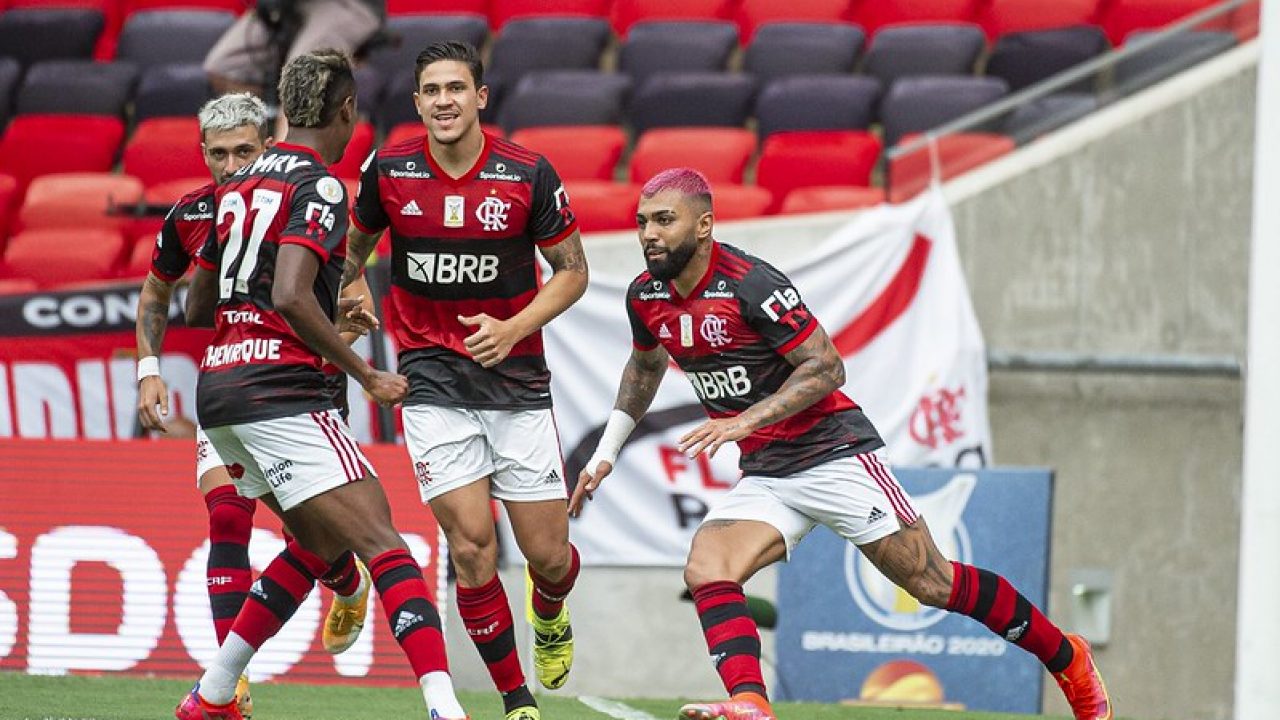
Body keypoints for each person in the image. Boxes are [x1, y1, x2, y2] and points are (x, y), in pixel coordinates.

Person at [571, 168, 1114, 720]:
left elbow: (827, 368)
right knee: (708, 566)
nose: (649, 234)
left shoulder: (752, 284)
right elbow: (644, 368)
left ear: (705, 224)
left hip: (832, 454)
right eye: (642, 222)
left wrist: (742, 421)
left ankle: (1067, 656)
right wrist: (606, 452)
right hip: (767, 472)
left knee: (931, 581)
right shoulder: (646, 296)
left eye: (665, 220)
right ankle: (751, 702)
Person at [174, 49, 469, 720]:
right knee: (386, 546)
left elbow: (198, 308)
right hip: (281, 392)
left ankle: (213, 696)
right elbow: (289, 293)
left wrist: (300, 312)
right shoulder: (324, 184)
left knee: (317, 543)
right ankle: (444, 708)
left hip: (219, 391)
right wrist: (364, 372)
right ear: (347, 113)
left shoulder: (238, 183)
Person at [343, 41, 589, 720]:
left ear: (481, 97)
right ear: (418, 102)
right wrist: (354, 290)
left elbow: (573, 271)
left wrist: (512, 329)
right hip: (431, 380)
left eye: (457, 88)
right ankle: (516, 701)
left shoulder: (527, 173)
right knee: (472, 547)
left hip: (515, 381)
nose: (444, 100)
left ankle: (549, 612)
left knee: (549, 555)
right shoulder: (388, 171)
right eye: (432, 90)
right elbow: (349, 250)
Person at [133, 91, 375, 720]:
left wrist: (342, 331)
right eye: (219, 154)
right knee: (227, 518)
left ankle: (346, 580)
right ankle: (228, 686)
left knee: (313, 538)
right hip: (232, 387)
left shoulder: (305, 198)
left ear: (267, 145)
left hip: (302, 394)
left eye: (245, 149)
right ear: (203, 154)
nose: (231, 162)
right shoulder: (191, 214)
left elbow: (358, 304)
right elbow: (158, 295)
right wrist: (148, 370)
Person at [203, 0, 382, 99]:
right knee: (221, 65)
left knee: (299, 72)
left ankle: (289, 157)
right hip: (286, 6)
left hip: (346, 4)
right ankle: (263, 138)